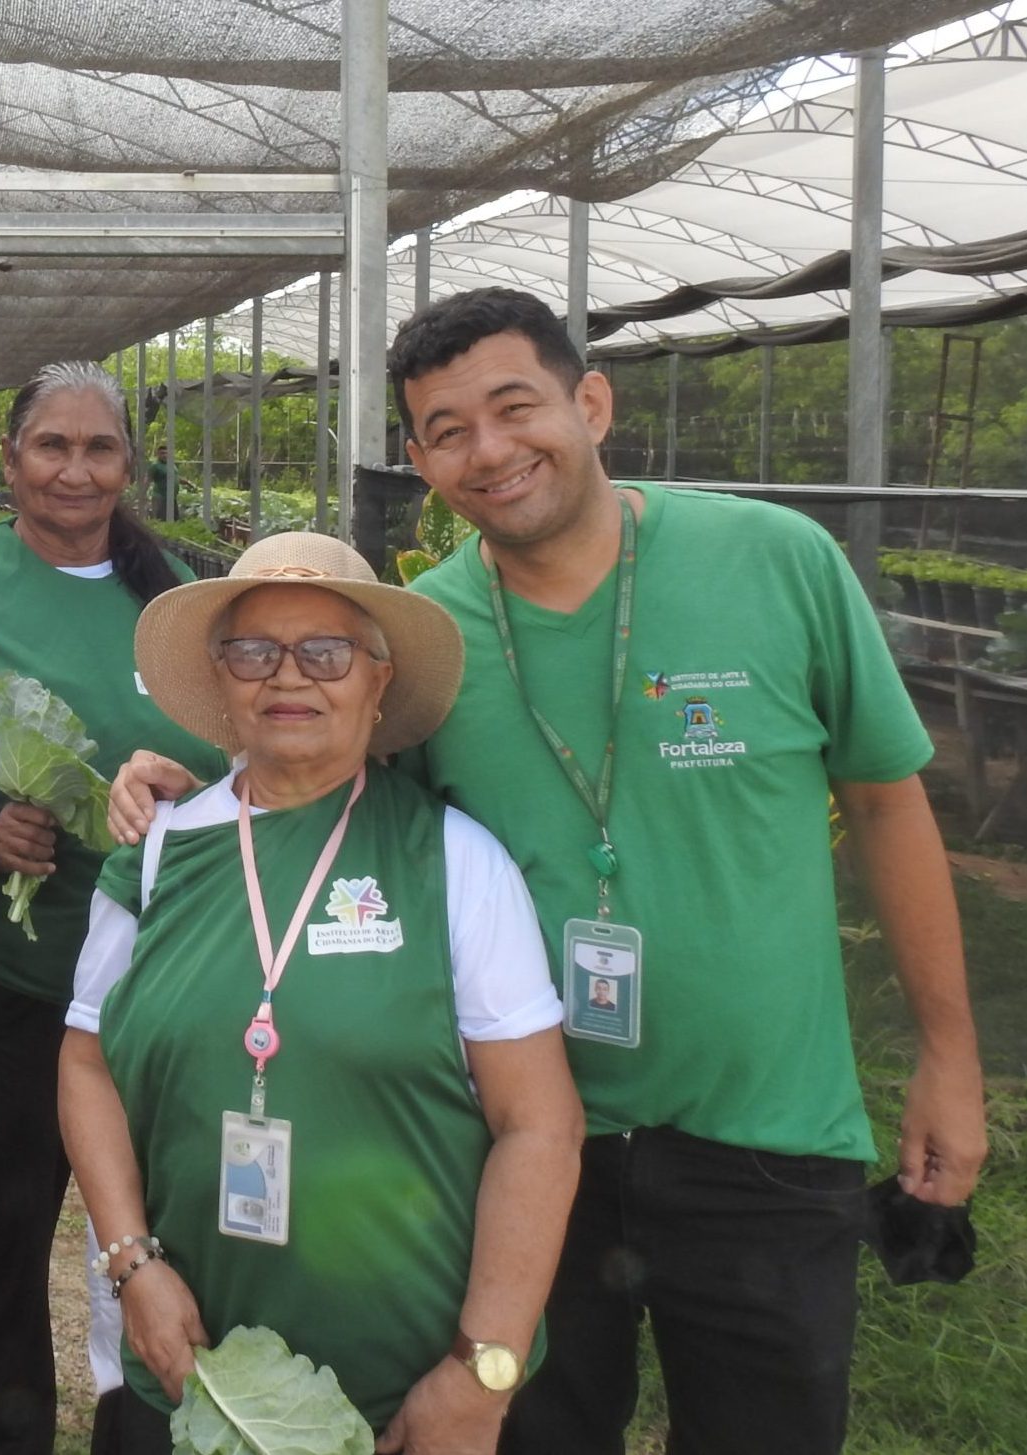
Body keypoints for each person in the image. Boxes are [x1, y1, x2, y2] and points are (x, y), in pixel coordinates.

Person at [115, 287, 987, 1455]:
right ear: (420, 460)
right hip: (517, 1147)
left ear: (589, 402)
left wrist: (946, 1056)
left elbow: (886, 803)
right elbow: (312, 774)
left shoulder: (773, 562)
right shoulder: (425, 644)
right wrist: (183, 785)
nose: (491, 451)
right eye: (447, 430)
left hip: (765, 1132)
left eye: (514, 407)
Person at [62, 531, 582, 1455]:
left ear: (379, 681)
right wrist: (130, 1261)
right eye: (254, 650)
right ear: (221, 679)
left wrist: (478, 1369)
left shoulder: (452, 861)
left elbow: (538, 1125)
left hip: (408, 1395)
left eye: (327, 651)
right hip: (193, 1370)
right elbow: (86, 1062)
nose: (288, 676)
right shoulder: (157, 852)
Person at [0, 361, 230, 1455]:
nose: (76, 470)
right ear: (9, 462)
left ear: (128, 464)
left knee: (155, 1241)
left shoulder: (175, 596)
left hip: (158, 993)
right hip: (9, 987)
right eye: (52, 446)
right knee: (6, 1231)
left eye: (100, 449)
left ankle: (143, 1428)